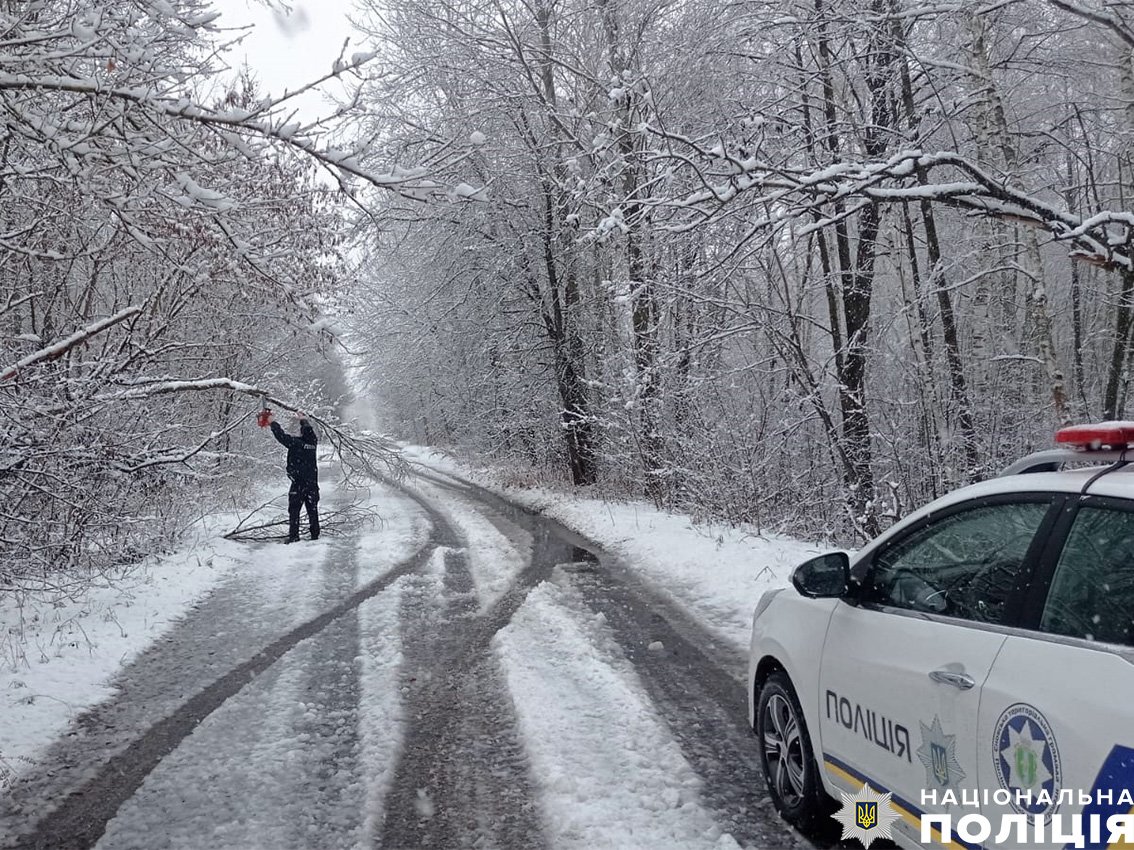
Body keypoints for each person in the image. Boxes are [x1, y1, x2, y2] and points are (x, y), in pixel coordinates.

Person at [268, 411, 320, 542]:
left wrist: (272, 422)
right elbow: (309, 432)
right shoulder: (313, 443)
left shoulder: (295, 443)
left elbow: (281, 436)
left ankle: (294, 536)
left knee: (294, 511)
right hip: (312, 484)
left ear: (301, 433)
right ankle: (315, 535)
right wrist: (303, 420)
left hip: (298, 484)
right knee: (313, 511)